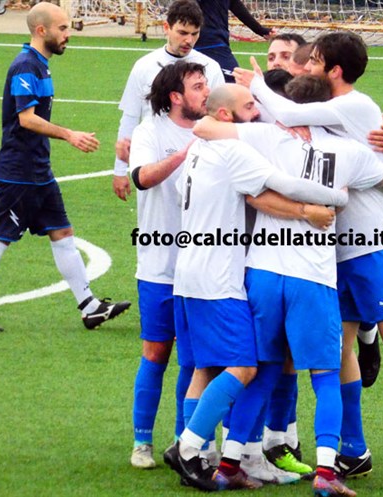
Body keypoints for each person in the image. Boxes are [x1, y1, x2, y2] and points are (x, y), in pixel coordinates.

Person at [241, 33, 383, 490]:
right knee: (337, 351)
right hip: (331, 252)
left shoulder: (353, 105)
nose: (305, 68)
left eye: (313, 62)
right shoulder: (321, 110)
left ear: (334, 70)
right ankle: (354, 451)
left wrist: (257, 83)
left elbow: (292, 112)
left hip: (376, 244)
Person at [192, 73, 383, 497]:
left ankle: (227, 463)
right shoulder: (350, 151)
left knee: (264, 371)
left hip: (262, 272)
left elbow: (207, 128)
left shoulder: (261, 137)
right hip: (311, 278)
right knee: (326, 374)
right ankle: (327, 475)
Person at [167, 84, 350, 491]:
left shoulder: (198, 148)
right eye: (250, 106)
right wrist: (327, 202)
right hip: (220, 277)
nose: (258, 111)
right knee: (246, 367)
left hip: (188, 273)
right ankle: (187, 447)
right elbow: (276, 189)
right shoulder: (234, 149)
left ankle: (212, 457)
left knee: (205, 366)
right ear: (228, 116)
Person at [0, 2, 130, 332]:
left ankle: (90, 307)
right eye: (63, 29)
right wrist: (70, 135)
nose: (68, 34)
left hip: (38, 170)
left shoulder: (41, 65)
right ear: (41, 31)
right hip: (19, 171)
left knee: (63, 233)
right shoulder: (25, 66)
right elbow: (27, 119)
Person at [126, 60, 208, 470]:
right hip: (159, 264)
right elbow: (141, 177)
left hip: (203, 268)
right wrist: (185, 154)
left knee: (193, 359)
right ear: (176, 96)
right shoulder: (150, 131)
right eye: (197, 86)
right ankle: (142, 442)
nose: (205, 92)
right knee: (157, 352)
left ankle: (182, 440)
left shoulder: (214, 127)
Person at [112, 0, 225, 202]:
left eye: (195, 33)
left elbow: (221, 119)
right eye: (182, 33)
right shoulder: (144, 66)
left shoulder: (211, 67)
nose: (189, 40)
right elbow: (130, 116)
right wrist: (120, 171)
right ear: (166, 27)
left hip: (198, 156)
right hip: (154, 157)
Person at [194, 0, 275, 82]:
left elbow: (236, 6)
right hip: (200, 46)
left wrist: (261, 30)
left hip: (219, 45)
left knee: (235, 83)